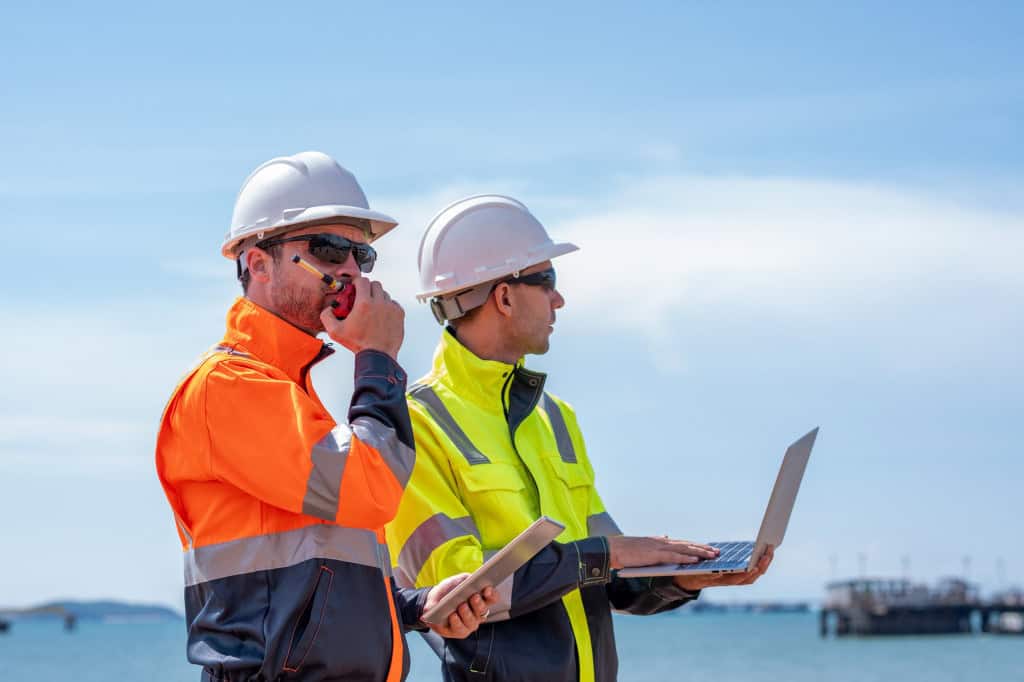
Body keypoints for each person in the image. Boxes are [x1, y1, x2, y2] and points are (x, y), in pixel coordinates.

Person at [385, 195, 773, 682]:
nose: (559, 299)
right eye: (546, 281)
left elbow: (608, 573)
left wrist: (679, 578)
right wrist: (604, 557)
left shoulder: (555, 417)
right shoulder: (414, 423)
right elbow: (457, 592)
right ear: (504, 297)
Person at [155, 152, 495, 682]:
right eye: (329, 249)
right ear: (257, 262)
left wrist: (412, 606)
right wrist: (376, 356)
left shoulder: (291, 392)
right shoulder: (228, 388)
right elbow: (373, 490)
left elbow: (313, 582)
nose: (350, 271)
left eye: (361, 254)